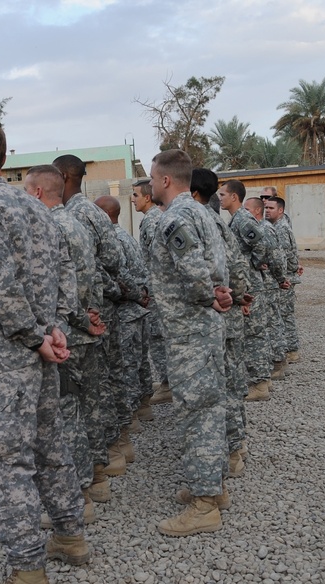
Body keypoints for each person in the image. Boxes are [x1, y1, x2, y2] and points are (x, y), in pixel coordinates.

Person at [0, 121, 89, 584]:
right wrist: (55, 329)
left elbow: (1, 286)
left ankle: (28, 576)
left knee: (6, 457)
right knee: (50, 443)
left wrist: (35, 337)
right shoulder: (36, 205)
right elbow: (60, 273)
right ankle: (71, 538)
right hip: (41, 349)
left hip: (10, 355)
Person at [146, 149, 230, 536]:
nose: (148, 185)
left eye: (151, 178)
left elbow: (195, 272)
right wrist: (217, 295)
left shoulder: (176, 217)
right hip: (204, 329)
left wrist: (208, 296)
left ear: (165, 180)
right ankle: (212, 486)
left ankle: (204, 504)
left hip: (190, 332)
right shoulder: (202, 212)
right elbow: (215, 266)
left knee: (198, 413)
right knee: (209, 405)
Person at [24, 164, 106, 525]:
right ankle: (92, 482)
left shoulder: (49, 226)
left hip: (65, 334)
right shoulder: (75, 222)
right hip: (80, 328)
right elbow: (89, 277)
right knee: (86, 408)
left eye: (27, 191)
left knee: (66, 415)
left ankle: (79, 495)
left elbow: (64, 291)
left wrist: (73, 322)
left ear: (38, 193)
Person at [53, 155, 130, 482]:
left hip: (76, 318)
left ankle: (92, 470)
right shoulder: (92, 213)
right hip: (97, 309)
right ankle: (105, 457)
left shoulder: (63, 217)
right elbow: (114, 257)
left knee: (76, 399)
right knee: (98, 389)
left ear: (61, 176)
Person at [192, 168, 251, 479]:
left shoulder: (201, 219)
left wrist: (233, 300)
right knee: (233, 382)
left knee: (224, 386)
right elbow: (238, 265)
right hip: (228, 309)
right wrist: (241, 297)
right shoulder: (215, 219)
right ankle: (236, 446)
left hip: (218, 314)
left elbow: (227, 266)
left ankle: (231, 452)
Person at [95, 195, 151, 449]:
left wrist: (133, 295)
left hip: (126, 309)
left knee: (125, 368)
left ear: (104, 215)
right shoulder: (125, 235)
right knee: (137, 363)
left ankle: (127, 424)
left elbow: (118, 278)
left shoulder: (112, 240)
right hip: (137, 307)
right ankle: (141, 409)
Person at [218, 184, 274, 401]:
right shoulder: (236, 219)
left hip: (250, 284)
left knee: (253, 333)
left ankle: (260, 384)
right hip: (246, 283)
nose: (220, 199)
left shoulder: (243, 219)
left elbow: (263, 245)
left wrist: (253, 265)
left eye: (223, 195)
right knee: (253, 332)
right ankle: (263, 379)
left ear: (234, 196)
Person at [133, 179, 171, 406]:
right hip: (155, 287)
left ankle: (168, 384)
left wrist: (148, 289)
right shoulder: (151, 219)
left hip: (157, 289)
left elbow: (156, 260)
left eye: (136, 195)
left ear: (147, 197)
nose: (132, 199)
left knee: (157, 337)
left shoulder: (152, 221)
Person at [265, 196, 302, 363]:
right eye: (266, 207)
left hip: (285, 278)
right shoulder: (276, 226)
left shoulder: (280, 228)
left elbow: (286, 255)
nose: (267, 211)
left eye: (271, 208)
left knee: (285, 315)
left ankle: (291, 350)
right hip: (285, 277)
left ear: (280, 210)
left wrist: (288, 273)